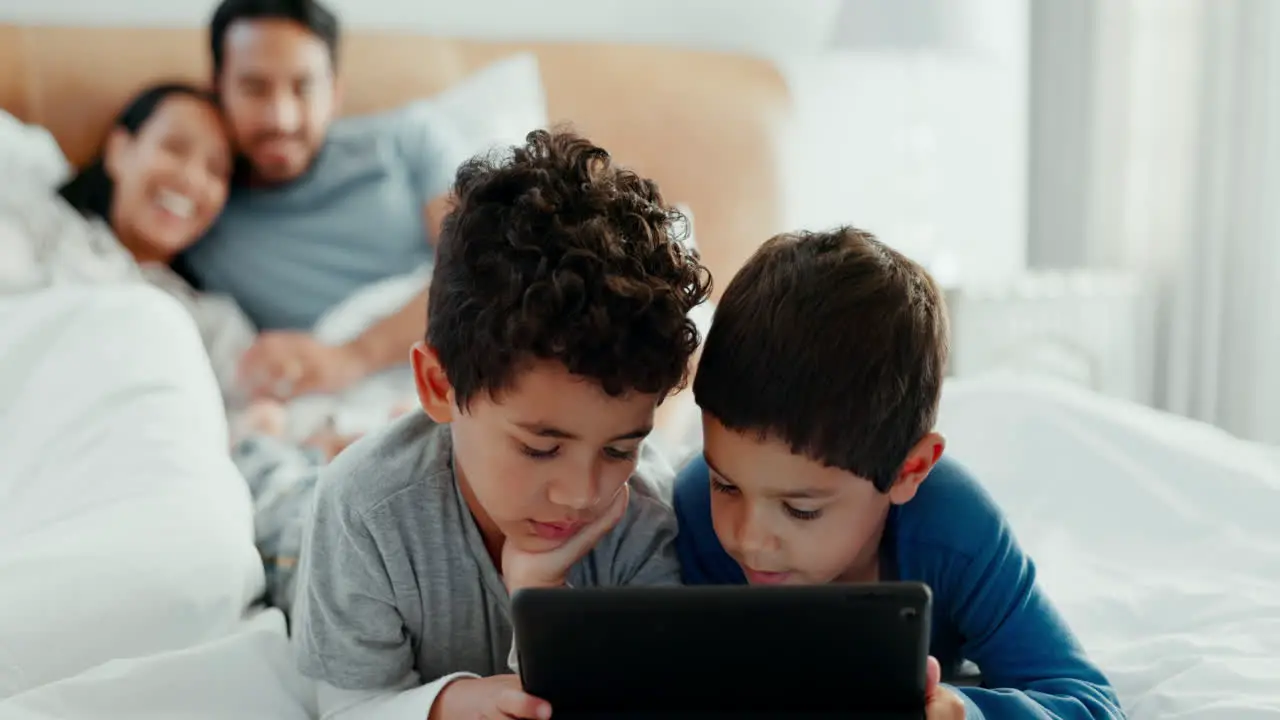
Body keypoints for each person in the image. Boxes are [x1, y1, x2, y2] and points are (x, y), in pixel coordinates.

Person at [291, 128, 712, 720]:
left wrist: (540, 604)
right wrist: (444, 707)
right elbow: (347, 705)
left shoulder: (647, 524)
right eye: (541, 448)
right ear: (440, 387)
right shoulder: (361, 510)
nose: (581, 494)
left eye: (620, 449)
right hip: (311, 516)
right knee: (283, 500)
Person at [672, 228, 1126, 719]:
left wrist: (965, 714)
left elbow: (1090, 704)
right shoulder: (694, 512)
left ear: (909, 470)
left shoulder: (955, 531)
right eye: (726, 484)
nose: (749, 539)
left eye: (801, 509)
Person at [178, 0, 469, 403]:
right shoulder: (196, 213)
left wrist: (353, 356)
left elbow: (483, 274)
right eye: (254, 88)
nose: (281, 118)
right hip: (340, 411)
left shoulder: (409, 142)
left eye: (302, 87)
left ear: (334, 92)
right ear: (217, 89)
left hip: (458, 360)